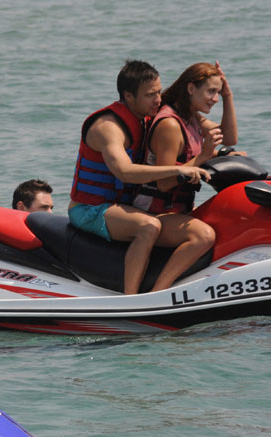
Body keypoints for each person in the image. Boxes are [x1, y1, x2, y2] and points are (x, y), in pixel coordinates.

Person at [67, 60, 211, 294]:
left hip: (124, 206)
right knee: (148, 227)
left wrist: (226, 98)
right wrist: (176, 170)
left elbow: (216, 130)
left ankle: (159, 291)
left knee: (201, 231)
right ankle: (131, 299)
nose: (158, 99)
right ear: (128, 96)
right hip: (90, 209)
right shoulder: (108, 127)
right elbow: (124, 171)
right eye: (150, 95)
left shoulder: (145, 117)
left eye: (159, 92)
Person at [133, 61, 242, 217]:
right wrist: (204, 156)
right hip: (152, 210)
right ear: (191, 89)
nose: (215, 99)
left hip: (176, 208)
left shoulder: (191, 117)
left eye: (218, 93)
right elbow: (163, 183)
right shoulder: (170, 125)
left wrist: (228, 95)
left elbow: (229, 138)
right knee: (206, 231)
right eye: (211, 91)